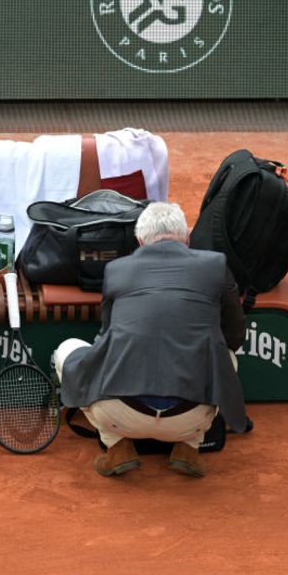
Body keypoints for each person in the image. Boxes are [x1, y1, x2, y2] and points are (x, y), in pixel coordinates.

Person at [54, 202, 247, 479]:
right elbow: (235, 337)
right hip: (191, 417)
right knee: (227, 356)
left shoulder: (116, 269)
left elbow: (106, 337)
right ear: (188, 238)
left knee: (67, 350)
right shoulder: (216, 265)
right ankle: (189, 446)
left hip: (119, 414)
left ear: (139, 241)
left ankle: (117, 445)